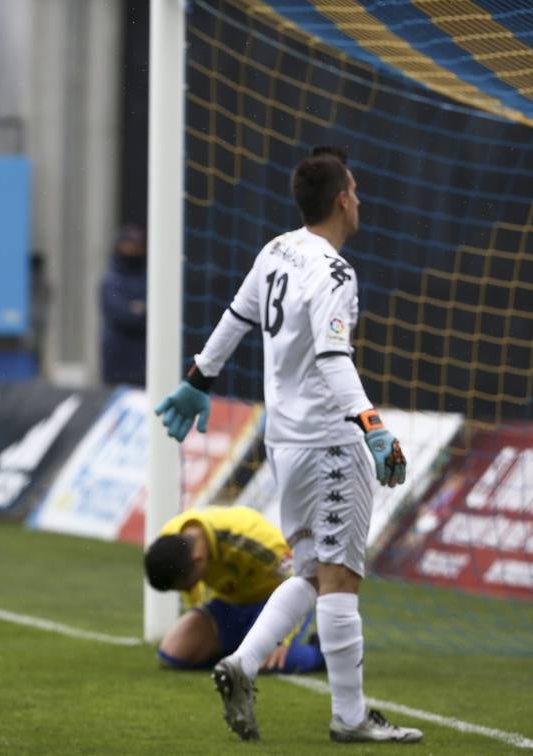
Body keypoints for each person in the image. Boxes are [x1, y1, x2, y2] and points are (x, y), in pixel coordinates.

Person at [154, 146, 422, 744]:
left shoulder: (275, 250)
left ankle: (242, 663)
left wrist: (199, 378)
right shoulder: (334, 272)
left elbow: (235, 316)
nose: (359, 200)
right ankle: (349, 718)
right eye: (355, 190)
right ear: (343, 199)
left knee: (308, 571)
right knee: (341, 579)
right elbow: (332, 356)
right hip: (328, 442)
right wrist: (371, 424)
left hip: (283, 443)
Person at [144, 506, 324, 674]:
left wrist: (284, 640)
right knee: (173, 655)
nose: (189, 589)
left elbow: (301, 582)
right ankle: (241, 649)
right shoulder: (171, 538)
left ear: (198, 559)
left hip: (277, 602)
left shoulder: (255, 541)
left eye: (187, 585)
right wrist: (197, 615)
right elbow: (193, 595)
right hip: (228, 604)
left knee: (268, 662)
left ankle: (324, 652)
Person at [99, 224, 147, 386]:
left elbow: (152, 315)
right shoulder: (111, 280)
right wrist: (137, 311)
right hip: (116, 362)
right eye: (130, 245)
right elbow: (120, 315)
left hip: (143, 364)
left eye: (138, 246)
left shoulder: (150, 279)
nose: (134, 250)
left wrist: (137, 310)